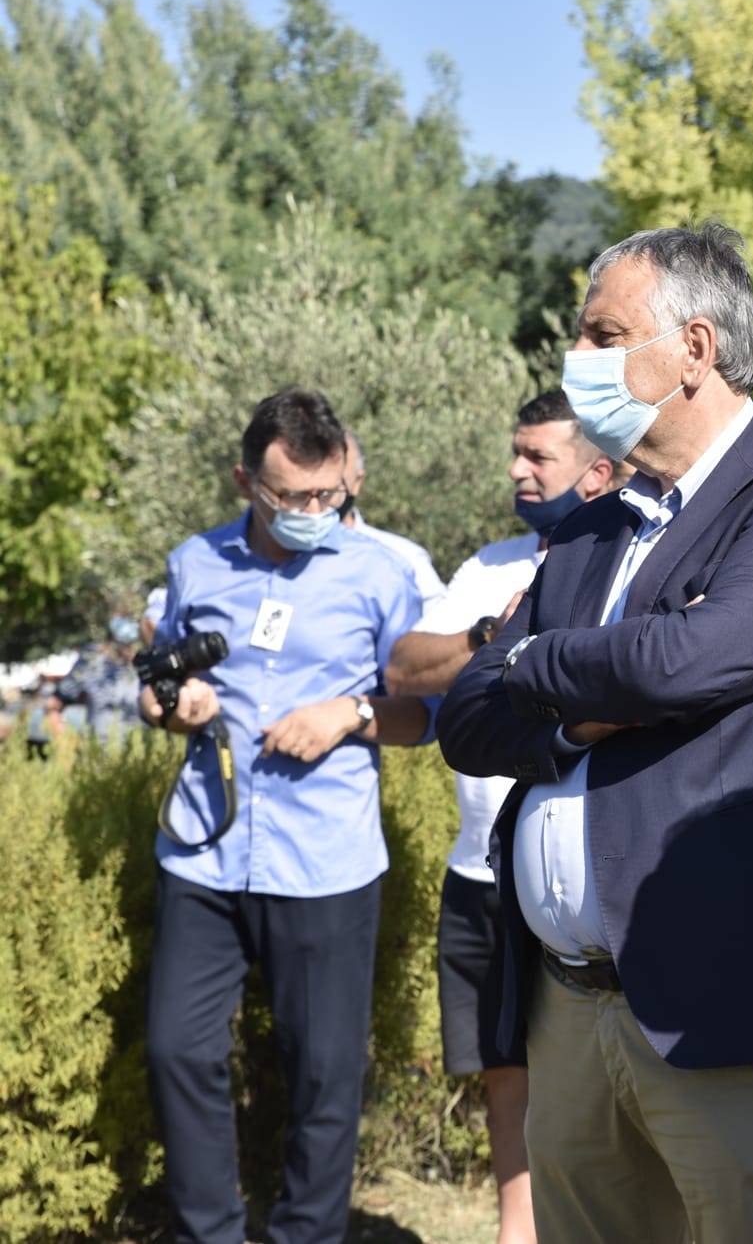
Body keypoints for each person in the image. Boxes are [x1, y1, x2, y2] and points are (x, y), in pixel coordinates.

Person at [435, 223, 753, 1244]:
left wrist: (531, 665)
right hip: (568, 1005)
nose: (576, 360)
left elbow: (690, 660)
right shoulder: (591, 525)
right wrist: (572, 708)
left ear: (693, 348)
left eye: (603, 334)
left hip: (722, 1004)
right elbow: (464, 716)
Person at [140, 388, 433, 1244]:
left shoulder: (380, 571)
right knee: (177, 1051)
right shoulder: (195, 562)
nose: (313, 513)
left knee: (324, 1076)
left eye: (326, 494)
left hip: (325, 861)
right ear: (246, 481)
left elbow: (422, 718)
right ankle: (210, 1234)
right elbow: (152, 688)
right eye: (290, 497)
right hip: (205, 849)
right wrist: (174, 704)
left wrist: (350, 712)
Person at [384, 389, 616, 1244]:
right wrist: (494, 628)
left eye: (537, 457)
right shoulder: (489, 566)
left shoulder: (628, 563)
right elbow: (407, 668)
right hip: (480, 872)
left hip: (580, 875)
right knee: (503, 1068)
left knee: (594, 1066)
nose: (517, 471)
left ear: (597, 469)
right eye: (514, 453)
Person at [340, 430, 448, 615]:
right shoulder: (276, 556)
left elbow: (441, 629)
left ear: (357, 481)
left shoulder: (404, 559)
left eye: (335, 478)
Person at [57, 616, 146, 741]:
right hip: (99, 753)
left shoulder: (145, 663)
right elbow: (54, 705)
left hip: (140, 752)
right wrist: (64, 747)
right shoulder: (92, 659)